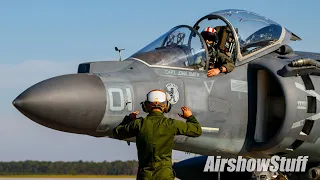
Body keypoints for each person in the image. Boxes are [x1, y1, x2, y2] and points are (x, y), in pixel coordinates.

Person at [113, 89, 202, 180]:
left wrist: (129, 119)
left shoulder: (139, 124)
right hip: (164, 174)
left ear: (146, 105)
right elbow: (197, 130)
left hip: (145, 174)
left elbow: (117, 133)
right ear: (166, 105)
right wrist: (190, 117)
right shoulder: (171, 124)